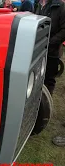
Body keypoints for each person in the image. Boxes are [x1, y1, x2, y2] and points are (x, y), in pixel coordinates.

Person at [34, 0, 65, 147]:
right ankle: (36, 106)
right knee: (38, 76)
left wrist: (48, 41)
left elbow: (64, 30)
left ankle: (46, 109)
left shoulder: (60, 6)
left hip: (52, 51)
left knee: (49, 80)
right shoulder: (39, 4)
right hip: (39, 50)